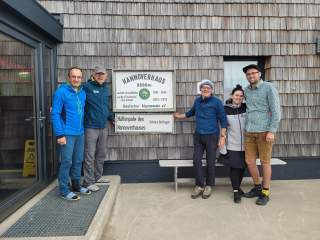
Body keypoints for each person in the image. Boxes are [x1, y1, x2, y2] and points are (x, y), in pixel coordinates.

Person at [173, 79, 227, 199]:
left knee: (210, 161)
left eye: (208, 88)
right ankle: (199, 185)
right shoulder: (197, 101)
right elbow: (190, 113)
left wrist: (222, 137)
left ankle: (209, 185)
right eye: (203, 88)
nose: (205, 89)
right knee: (196, 160)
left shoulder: (217, 102)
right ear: (201, 90)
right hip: (198, 136)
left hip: (212, 136)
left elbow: (223, 120)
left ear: (211, 90)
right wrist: (178, 116)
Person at [242, 64, 281, 206]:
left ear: (259, 74)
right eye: (248, 74)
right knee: (250, 162)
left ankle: (265, 192)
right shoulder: (246, 90)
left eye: (253, 73)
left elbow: (276, 111)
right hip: (249, 131)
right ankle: (257, 187)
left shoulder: (269, 88)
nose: (251, 76)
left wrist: (272, 130)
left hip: (265, 132)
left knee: (265, 162)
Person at [51, 66, 91, 201]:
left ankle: (76, 185)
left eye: (79, 77)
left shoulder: (82, 93)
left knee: (78, 160)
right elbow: (55, 114)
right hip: (66, 133)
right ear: (69, 77)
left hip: (80, 132)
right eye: (73, 76)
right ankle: (63, 189)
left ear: (81, 79)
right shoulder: (61, 92)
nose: (76, 79)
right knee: (67, 161)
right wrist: (59, 134)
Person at [82, 66, 114, 192]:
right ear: (93, 75)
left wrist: (112, 118)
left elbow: (105, 107)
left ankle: (98, 176)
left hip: (103, 126)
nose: (100, 76)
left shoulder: (105, 89)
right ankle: (88, 182)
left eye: (103, 74)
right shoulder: (86, 87)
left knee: (101, 154)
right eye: (98, 74)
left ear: (106, 76)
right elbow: (71, 90)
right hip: (90, 127)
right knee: (89, 155)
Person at [222, 85, 247, 203]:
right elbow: (222, 127)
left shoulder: (247, 108)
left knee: (242, 167)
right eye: (236, 95)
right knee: (235, 168)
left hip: (247, 145)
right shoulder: (225, 109)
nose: (239, 97)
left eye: (241, 96)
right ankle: (236, 192)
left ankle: (238, 187)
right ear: (232, 96)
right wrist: (222, 145)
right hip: (232, 144)